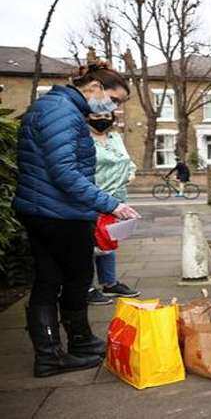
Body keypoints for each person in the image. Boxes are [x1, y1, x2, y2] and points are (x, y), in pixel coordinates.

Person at [13, 61, 140, 378]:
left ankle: (77, 343)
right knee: (66, 279)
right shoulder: (63, 112)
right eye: (115, 99)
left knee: (61, 278)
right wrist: (111, 205)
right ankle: (53, 355)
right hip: (58, 212)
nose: (113, 107)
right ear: (94, 87)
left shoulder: (60, 108)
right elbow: (65, 172)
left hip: (48, 208)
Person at [86, 105, 140, 305]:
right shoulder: (83, 139)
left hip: (117, 199)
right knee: (90, 244)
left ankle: (109, 283)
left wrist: (131, 172)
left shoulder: (115, 138)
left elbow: (127, 161)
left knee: (109, 241)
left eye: (106, 115)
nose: (102, 119)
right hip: (94, 197)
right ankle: (87, 287)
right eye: (96, 115)